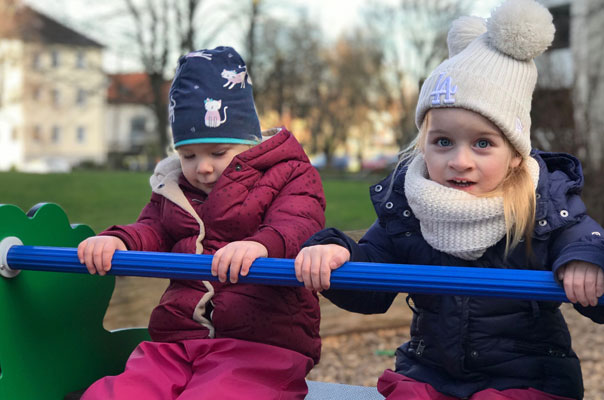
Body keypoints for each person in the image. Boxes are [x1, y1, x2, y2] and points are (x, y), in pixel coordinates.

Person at [295, 1, 604, 399]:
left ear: (515, 153)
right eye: (443, 141)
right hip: (431, 374)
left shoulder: (543, 206)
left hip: (528, 376)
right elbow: (370, 287)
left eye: (482, 143)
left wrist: (586, 263)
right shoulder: (408, 207)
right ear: (424, 144)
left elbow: (583, 241)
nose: (460, 161)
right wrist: (335, 254)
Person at [78, 46, 326, 400]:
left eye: (218, 153)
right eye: (189, 155)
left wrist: (260, 245)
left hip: (261, 343)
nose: (202, 167)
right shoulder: (174, 188)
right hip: (176, 341)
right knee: (114, 395)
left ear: (249, 143)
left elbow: (299, 222)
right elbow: (152, 228)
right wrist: (118, 241)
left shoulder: (290, 174)